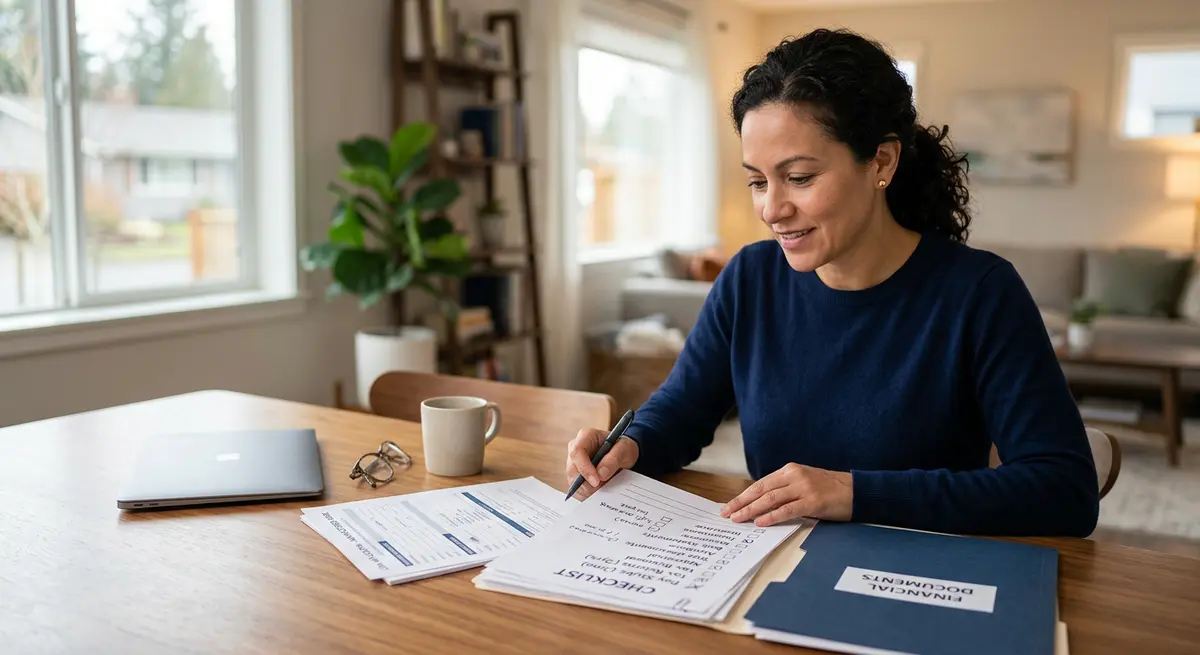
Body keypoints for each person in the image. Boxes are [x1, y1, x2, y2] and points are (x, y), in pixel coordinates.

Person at [564, 28, 1099, 538]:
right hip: (773, 568)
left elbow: (1065, 489)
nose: (772, 209)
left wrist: (853, 493)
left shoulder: (980, 293)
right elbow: (681, 412)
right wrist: (630, 443)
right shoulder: (750, 278)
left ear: (881, 161)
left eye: (799, 178)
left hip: (919, 582)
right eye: (758, 180)